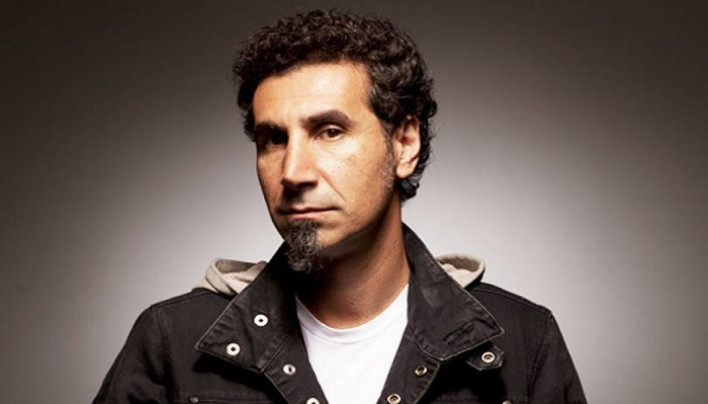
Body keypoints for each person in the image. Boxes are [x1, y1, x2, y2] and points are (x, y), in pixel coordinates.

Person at [93, 10, 586, 404]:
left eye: (329, 132)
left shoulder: (523, 341)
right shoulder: (172, 340)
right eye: (273, 139)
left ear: (404, 143)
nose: (292, 172)